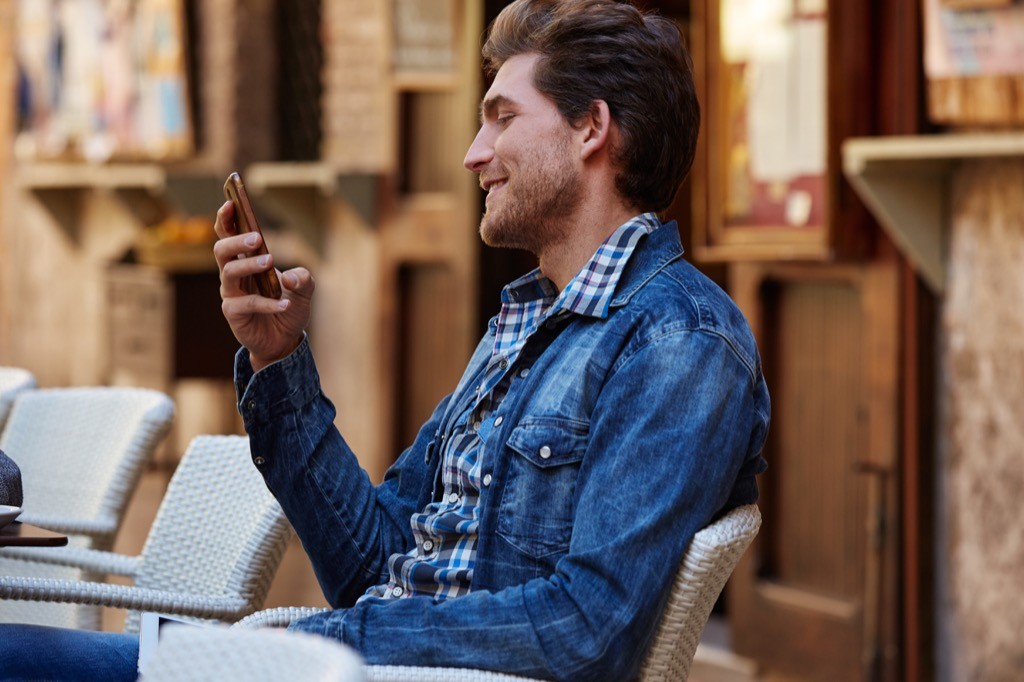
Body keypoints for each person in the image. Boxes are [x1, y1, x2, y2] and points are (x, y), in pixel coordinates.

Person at [0, 1, 768, 679]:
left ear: (591, 129)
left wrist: (319, 640)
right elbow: (370, 561)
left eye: (502, 117)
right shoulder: (527, 321)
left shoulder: (679, 340)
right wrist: (278, 362)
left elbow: (586, 629)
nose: (473, 153)